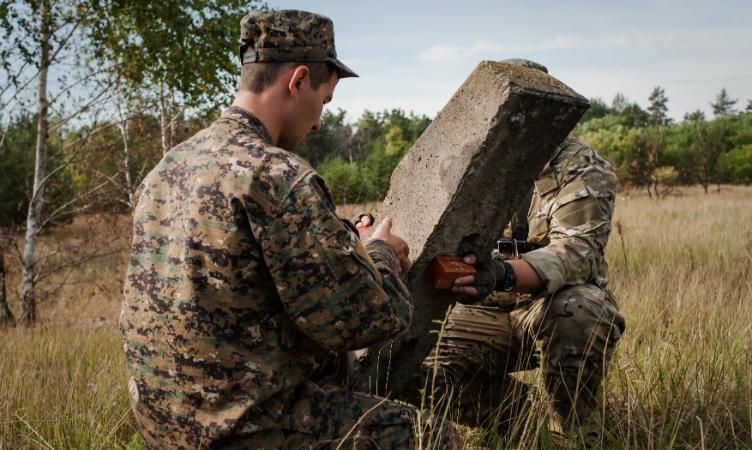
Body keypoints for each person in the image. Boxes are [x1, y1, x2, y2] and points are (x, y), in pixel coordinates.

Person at [120, 9, 461, 449]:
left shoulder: (169, 167)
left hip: (162, 426)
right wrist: (379, 255)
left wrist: (338, 248)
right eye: (325, 100)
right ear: (298, 80)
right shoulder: (278, 175)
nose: (319, 121)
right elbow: (367, 319)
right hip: (241, 431)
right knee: (432, 438)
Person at [421, 59, 626, 445]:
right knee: (414, 363)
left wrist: (501, 273)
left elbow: (577, 252)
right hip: (482, 307)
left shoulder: (581, 166)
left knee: (581, 312)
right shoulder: (468, 164)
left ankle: (572, 429)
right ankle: (518, 418)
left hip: (549, 301)